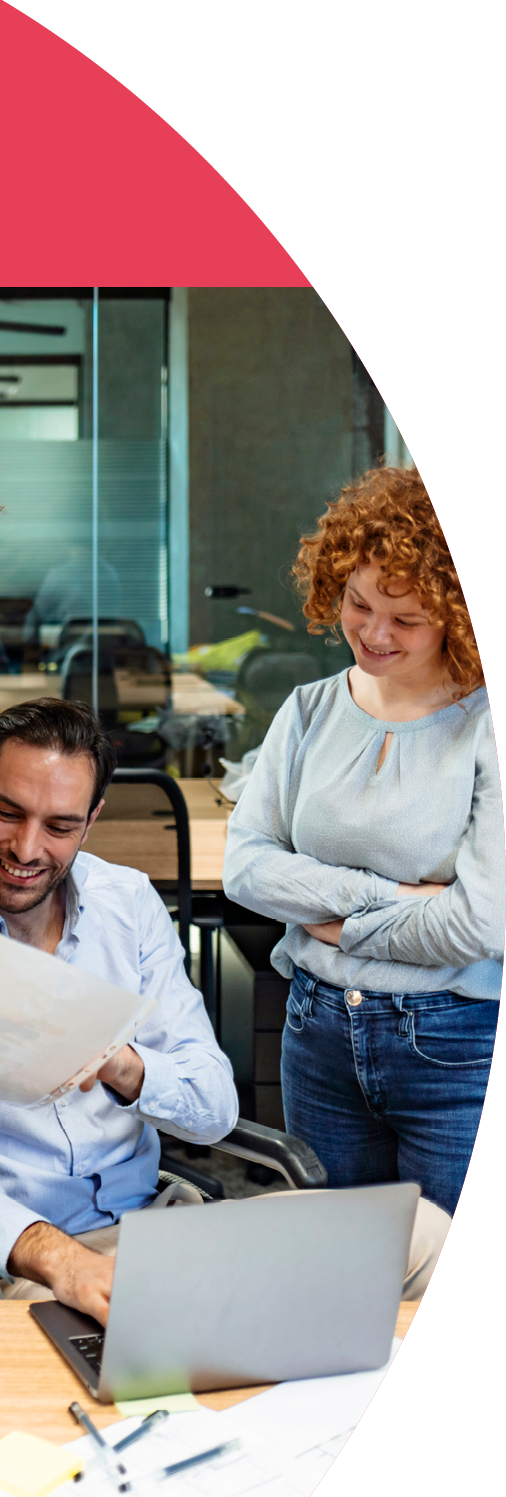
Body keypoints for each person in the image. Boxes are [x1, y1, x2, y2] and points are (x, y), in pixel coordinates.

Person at [0, 700, 239, 1323]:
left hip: (149, 1229)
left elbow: (215, 1109)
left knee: (413, 1238)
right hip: (8, 1259)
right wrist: (55, 1257)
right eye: (8, 813)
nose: (26, 848)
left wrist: (125, 1067)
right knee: (151, 1354)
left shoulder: (129, 904)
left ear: (92, 821)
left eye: (59, 826)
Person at [224, 466, 500, 1221]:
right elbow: (245, 867)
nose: (373, 633)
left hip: (456, 1044)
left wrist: (327, 918)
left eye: (404, 619)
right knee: (331, 1283)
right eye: (357, 604)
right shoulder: (310, 708)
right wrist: (383, 901)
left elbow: (478, 925)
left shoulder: (484, 726)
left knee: (444, 1286)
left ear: (457, 612)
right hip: (314, 1033)